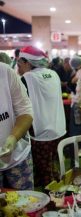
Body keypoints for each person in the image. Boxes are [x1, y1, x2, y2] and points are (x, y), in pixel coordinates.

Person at [18, 46, 66, 187]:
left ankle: (53, 199)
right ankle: (57, 186)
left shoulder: (27, 78)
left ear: (27, 63)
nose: (19, 68)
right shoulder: (53, 74)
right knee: (51, 164)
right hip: (58, 127)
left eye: (20, 64)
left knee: (44, 168)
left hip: (41, 131)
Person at [0, 62, 33, 190]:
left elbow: (25, 111)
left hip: (18, 156)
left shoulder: (5, 72)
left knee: (25, 204)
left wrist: (13, 138)